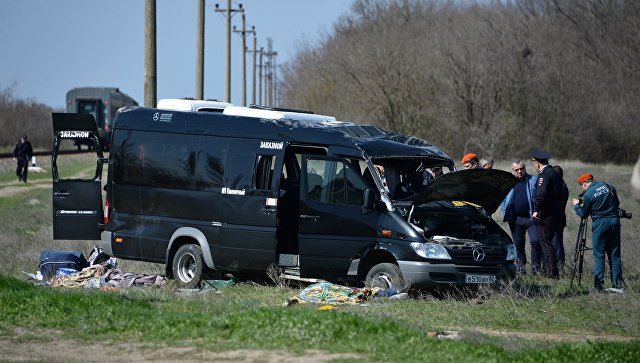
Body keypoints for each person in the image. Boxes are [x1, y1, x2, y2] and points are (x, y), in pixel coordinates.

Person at [572, 173, 624, 292]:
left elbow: (583, 214)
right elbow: (617, 203)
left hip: (600, 225)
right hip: (615, 222)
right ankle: (617, 286)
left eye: (582, 186)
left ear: (584, 183)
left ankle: (598, 287)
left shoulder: (589, 194)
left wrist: (576, 206)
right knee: (615, 255)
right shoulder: (609, 186)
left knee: (599, 256)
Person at [499, 160, 541, 274]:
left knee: (536, 241)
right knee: (518, 245)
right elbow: (502, 199)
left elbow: (539, 198)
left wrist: (538, 212)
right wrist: (505, 212)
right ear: (513, 171)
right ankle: (521, 268)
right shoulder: (508, 182)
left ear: (525, 168)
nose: (520, 171)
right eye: (516, 170)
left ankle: (536, 268)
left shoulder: (533, 180)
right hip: (515, 220)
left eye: (521, 169)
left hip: (531, 218)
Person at [531, 148, 563, 278]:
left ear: (537, 162)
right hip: (556, 213)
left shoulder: (544, 174)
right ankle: (553, 271)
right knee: (550, 242)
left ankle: (551, 273)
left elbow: (540, 195)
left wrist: (536, 210)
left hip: (546, 214)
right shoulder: (555, 173)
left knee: (546, 242)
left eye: (533, 162)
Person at [552, 165, 569, 273]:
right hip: (560, 218)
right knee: (557, 242)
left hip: (556, 219)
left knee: (557, 244)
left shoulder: (560, 186)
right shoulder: (563, 185)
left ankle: (559, 267)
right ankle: (558, 266)